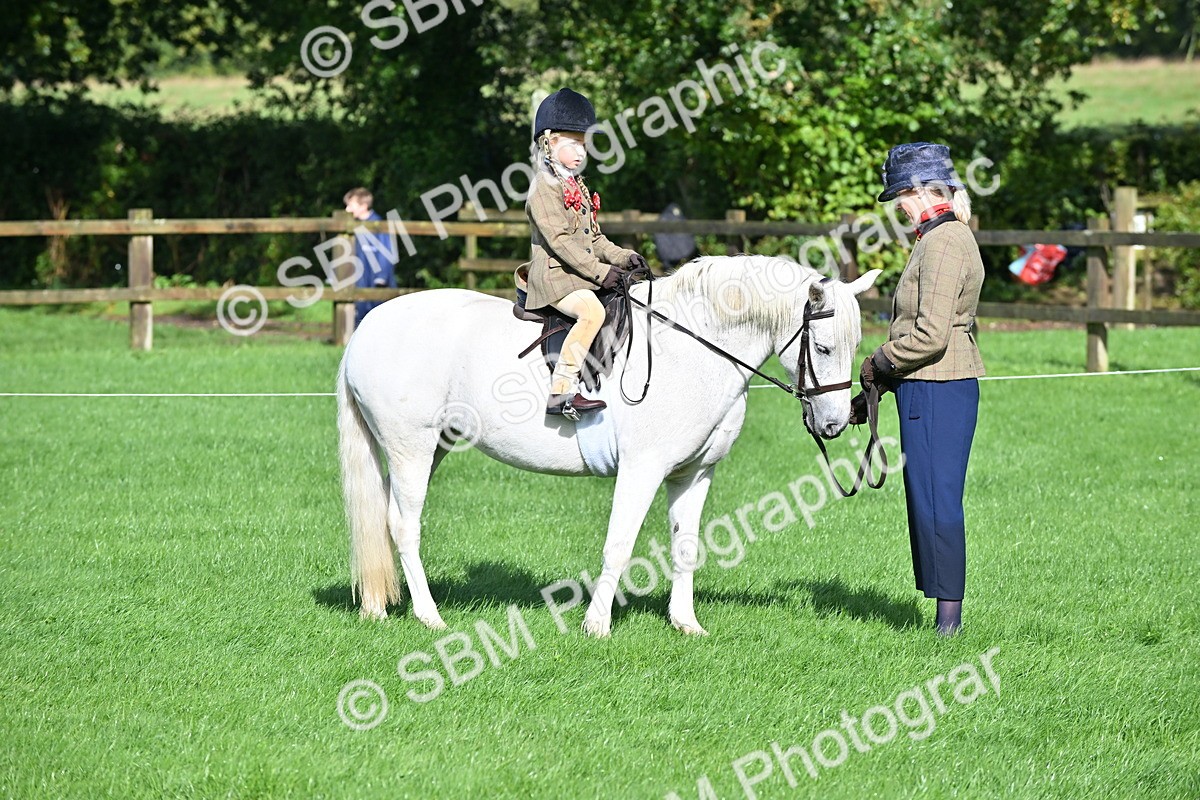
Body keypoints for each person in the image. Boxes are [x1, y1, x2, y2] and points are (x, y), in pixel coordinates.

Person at [854, 142, 985, 636]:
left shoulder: (945, 242)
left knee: (937, 501)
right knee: (928, 498)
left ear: (923, 192)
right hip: (928, 384)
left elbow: (930, 334)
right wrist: (880, 384)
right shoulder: (936, 238)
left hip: (938, 385)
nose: (899, 207)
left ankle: (948, 625)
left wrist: (879, 362)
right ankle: (943, 616)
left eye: (901, 196)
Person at [523, 88, 648, 418]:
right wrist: (601, 273)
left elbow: (596, 238)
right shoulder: (543, 188)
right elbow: (561, 242)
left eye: (584, 144)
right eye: (572, 143)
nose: (581, 151)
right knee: (593, 312)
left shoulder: (577, 185)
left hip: (576, 273)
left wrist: (623, 257)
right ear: (549, 142)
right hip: (553, 278)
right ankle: (560, 391)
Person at [343, 187, 398, 326]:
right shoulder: (353, 227)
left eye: (351, 205)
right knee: (360, 316)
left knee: (379, 317)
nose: (347, 210)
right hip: (360, 278)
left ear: (364, 205)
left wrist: (381, 276)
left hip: (376, 280)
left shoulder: (379, 225)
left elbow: (387, 252)